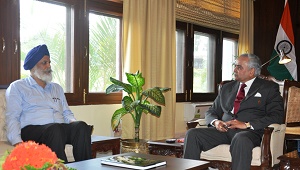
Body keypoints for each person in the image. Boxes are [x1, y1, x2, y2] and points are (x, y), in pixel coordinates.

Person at [183, 53, 284, 170]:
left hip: (251, 133)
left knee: (240, 139)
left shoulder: (269, 88)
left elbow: (277, 116)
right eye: (235, 66)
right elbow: (211, 111)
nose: (234, 70)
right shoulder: (227, 88)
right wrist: (216, 122)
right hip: (224, 131)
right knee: (192, 134)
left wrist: (246, 125)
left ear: (252, 71)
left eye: (239, 67)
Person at [5, 44, 92, 163]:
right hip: (32, 131)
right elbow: (12, 117)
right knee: (55, 129)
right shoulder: (18, 87)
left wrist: (73, 123)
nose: (49, 66)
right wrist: (17, 142)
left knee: (81, 126)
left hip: (58, 129)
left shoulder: (57, 88)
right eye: (44, 63)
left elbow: (66, 112)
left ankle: (85, 166)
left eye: (49, 62)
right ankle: (61, 167)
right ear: (33, 67)